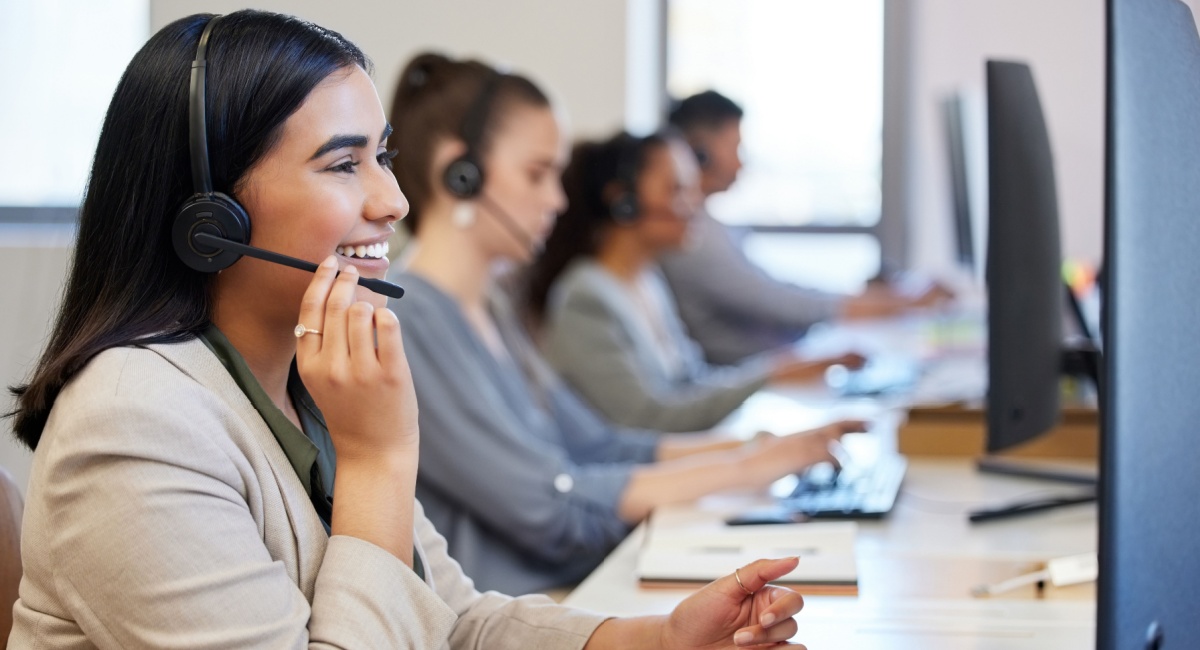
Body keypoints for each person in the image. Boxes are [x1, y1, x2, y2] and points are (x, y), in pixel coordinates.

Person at [6, 12, 816, 648]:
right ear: (210, 218)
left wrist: (656, 638)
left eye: (384, 156)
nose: (392, 201)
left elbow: (447, 622)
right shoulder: (133, 424)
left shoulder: (303, 377)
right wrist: (379, 461)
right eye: (343, 163)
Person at [386, 52, 865, 596]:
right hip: (521, 608)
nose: (558, 199)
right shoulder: (410, 320)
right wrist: (742, 470)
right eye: (538, 173)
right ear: (460, 173)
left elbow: (599, 446)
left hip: (575, 584)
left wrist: (754, 450)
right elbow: (548, 506)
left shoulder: (490, 307)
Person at [525, 131, 863, 433]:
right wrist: (769, 377)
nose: (695, 203)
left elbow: (692, 382)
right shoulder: (586, 297)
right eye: (677, 190)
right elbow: (648, 419)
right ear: (623, 201)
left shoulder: (646, 278)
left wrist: (779, 371)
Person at [660, 90, 950, 365]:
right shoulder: (691, 237)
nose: (741, 163)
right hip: (757, 376)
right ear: (699, 153)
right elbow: (779, 303)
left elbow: (777, 290)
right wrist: (899, 303)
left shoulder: (707, 226)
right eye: (735, 147)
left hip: (775, 366)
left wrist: (881, 299)